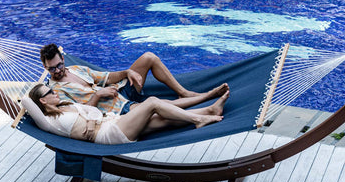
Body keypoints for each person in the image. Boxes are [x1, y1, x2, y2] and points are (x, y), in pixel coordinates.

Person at [40, 43, 229, 116]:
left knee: (149, 57)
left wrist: (127, 73)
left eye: (59, 65)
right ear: (45, 67)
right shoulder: (56, 92)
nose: (57, 70)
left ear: (63, 59)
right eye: (52, 68)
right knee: (157, 104)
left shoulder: (76, 69)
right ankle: (207, 99)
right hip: (115, 109)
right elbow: (81, 113)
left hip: (119, 91)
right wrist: (98, 95)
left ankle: (183, 92)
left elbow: (105, 77)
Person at [28, 83, 229, 145]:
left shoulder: (65, 105)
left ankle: (210, 110)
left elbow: (93, 111)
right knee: (151, 103)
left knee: (160, 119)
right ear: (43, 101)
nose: (54, 92)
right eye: (49, 93)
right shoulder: (48, 121)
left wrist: (92, 119)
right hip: (107, 134)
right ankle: (198, 118)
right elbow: (27, 101)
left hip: (111, 122)